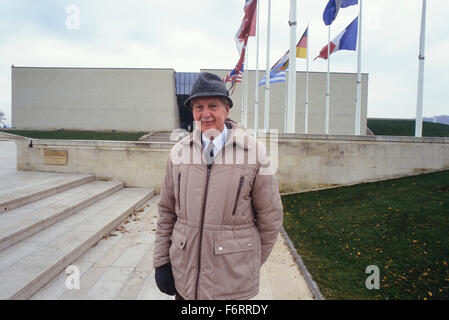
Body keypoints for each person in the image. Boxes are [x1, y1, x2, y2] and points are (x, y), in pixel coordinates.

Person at [153, 72, 283, 300]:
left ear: (226, 110)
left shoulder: (254, 153)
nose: (205, 114)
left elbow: (270, 216)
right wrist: (162, 262)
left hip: (231, 287)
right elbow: (166, 212)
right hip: (186, 282)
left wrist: (249, 261)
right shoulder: (179, 152)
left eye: (212, 106)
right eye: (198, 107)